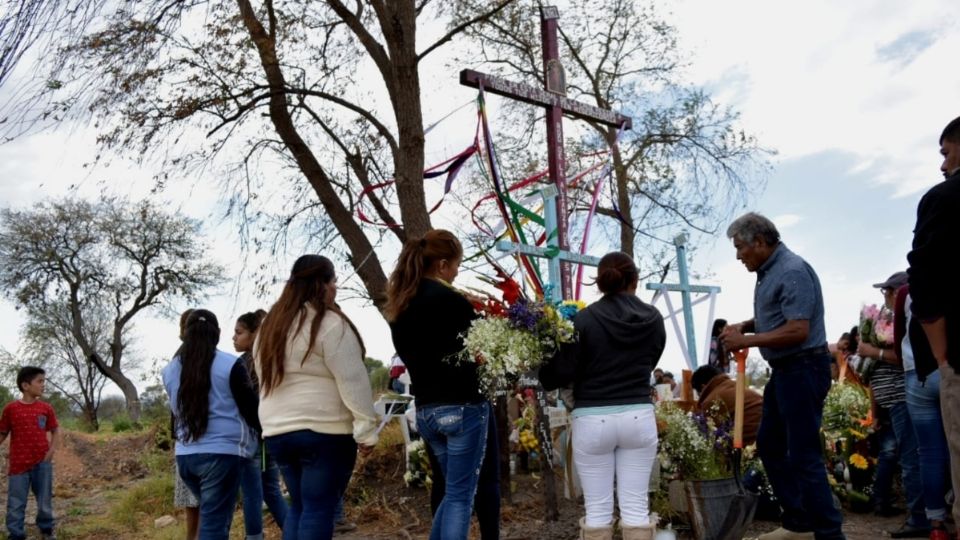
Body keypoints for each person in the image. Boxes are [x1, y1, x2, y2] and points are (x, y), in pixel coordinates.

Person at [719, 212, 844, 540]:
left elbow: (797, 329)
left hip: (803, 367)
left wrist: (746, 340)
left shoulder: (790, 270)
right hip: (787, 371)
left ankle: (830, 534)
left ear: (760, 242)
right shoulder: (770, 272)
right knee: (771, 444)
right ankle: (799, 522)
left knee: (804, 455)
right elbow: (780, 317)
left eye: (741, 247)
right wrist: (747, 325)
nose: (738, 255)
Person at [539, 251, 665, 540]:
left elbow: (556, 375)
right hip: (638, 415)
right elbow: (652, 361)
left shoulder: (583, 320)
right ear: (635, 279)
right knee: (636, 509)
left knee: (597, 511)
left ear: (601, 282)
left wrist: (545, 358)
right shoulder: (654, 319)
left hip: (592, 419)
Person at [385, 229, 500, 540]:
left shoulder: (400, 307)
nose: (457, 271)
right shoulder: (452, 301)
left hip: (426, 410)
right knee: (462, 498)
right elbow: (482, 352)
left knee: (451, 493)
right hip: (463, 406)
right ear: (443, 264)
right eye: (456, 265)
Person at [255, 255, 378, 540]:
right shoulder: (329, 323)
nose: (335, 288)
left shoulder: (268, 328)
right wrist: (366, 430)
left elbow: (263, 379)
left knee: (299, 506)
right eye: (333, 282)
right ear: (322, 284)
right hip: (324, 430)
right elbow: (353, 379)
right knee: (318, 509)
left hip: (278, 431)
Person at [906, 115, 960, 540]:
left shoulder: (945, 198)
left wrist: (942, 355)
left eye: (946, 152)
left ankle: (936, 518)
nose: (943, 165)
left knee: (939, 452)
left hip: (954, 355)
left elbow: (923, 275)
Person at [162, 309, 260, 540]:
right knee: (214, 526)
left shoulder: (169, 370)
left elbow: (175, 415)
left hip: (186, 457)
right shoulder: (230, 364)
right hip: (222, 455)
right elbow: (251, 409)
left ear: (186, 334)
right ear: (217, 333)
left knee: (214, 519)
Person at [856, 272, 926, 535]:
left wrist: (873, 352)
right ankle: (895, 506)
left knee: (909, 458)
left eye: (888, 292)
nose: (885, 297)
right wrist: (874, 410)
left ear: (900, 292)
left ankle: (919, 518)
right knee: (895, 454)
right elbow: (874, 375)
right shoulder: (887, 322)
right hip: (891, 401)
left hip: (902, 398)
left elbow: (906, 357)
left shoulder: (908, 321)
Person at [895, 283, 950, 539]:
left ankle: (936, 525)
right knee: (956, 448)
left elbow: (898, 340)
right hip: (949, 367)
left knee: (928, 453)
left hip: (916, 375)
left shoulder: (906, 292)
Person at [233, 309, 289, 539]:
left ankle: (254, 536)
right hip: (273, 430)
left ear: (254, 333)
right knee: (271, 489)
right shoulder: (275, 357)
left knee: (252, 493)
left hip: (251, 435)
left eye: (239, 332)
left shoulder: (242, 364)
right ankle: (295, 532)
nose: (234, 338)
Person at [0, 366, 60, 540]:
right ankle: (16, 534)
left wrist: (52, 451)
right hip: (18, 465)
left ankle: (46, 529)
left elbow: (55, 430)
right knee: (15, 503)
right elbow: (3, 433)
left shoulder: (46, 408)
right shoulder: (11, 409)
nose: (43, 385)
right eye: (39, 381)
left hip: (42, 463)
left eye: (44, 381)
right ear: (25, 385)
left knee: (44, 501)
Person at [172, 309, 201, 540]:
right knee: (202, 504)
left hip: (185, 441)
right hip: (202, 438)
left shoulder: (177, 358)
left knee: (192, 503)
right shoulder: (194, 356)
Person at [691, 364, 763, 445]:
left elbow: (710, 437)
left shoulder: (711, 400)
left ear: (703, 387)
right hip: (772, 437)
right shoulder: (735, 385)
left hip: (749, 447)